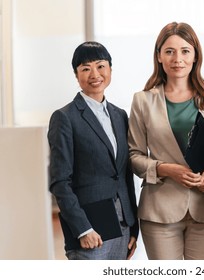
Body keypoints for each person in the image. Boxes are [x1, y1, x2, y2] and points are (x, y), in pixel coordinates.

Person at [128, 22, 204, 260]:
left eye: (185, 50)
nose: (178, 58)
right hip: (159, 213)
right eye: (169, 51)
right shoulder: (142, 101)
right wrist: (166, 169)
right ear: (159, 56)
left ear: (195, 55)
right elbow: (134, 157)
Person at [48, 41, 139, 260]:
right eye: (86, 68)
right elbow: (60, 181)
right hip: (90, 229)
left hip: (122, 228)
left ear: (110, 69)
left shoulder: (120, 116)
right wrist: (82, 228)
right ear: (76, 74)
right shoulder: (64, 117)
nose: (95, 74)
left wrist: (133, 226)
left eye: (100, 66)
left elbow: (125, 174)